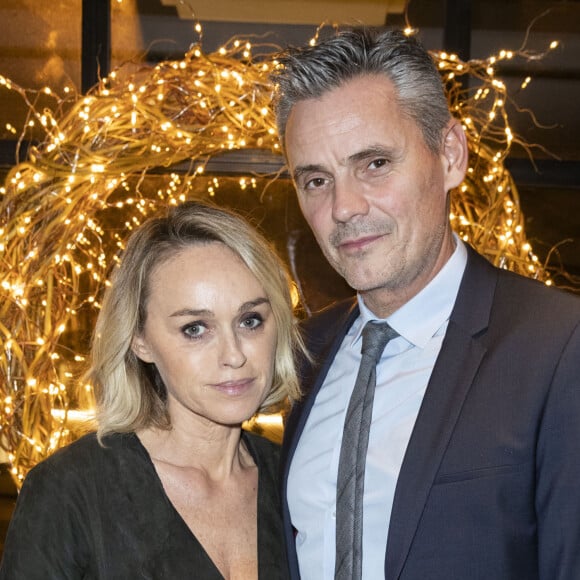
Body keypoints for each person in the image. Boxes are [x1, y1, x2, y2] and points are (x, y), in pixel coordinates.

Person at [271, 27, 580, 580]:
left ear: (451, 156)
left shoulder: (559, 345)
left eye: (374, 164)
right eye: (316, 179)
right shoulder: (304, 354)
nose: (343, 207)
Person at [0, 200, 306, 579]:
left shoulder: (298, 479)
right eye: (195, 328)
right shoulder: (71, 489)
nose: (234, 355)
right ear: (139, 339)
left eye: (250, 320)